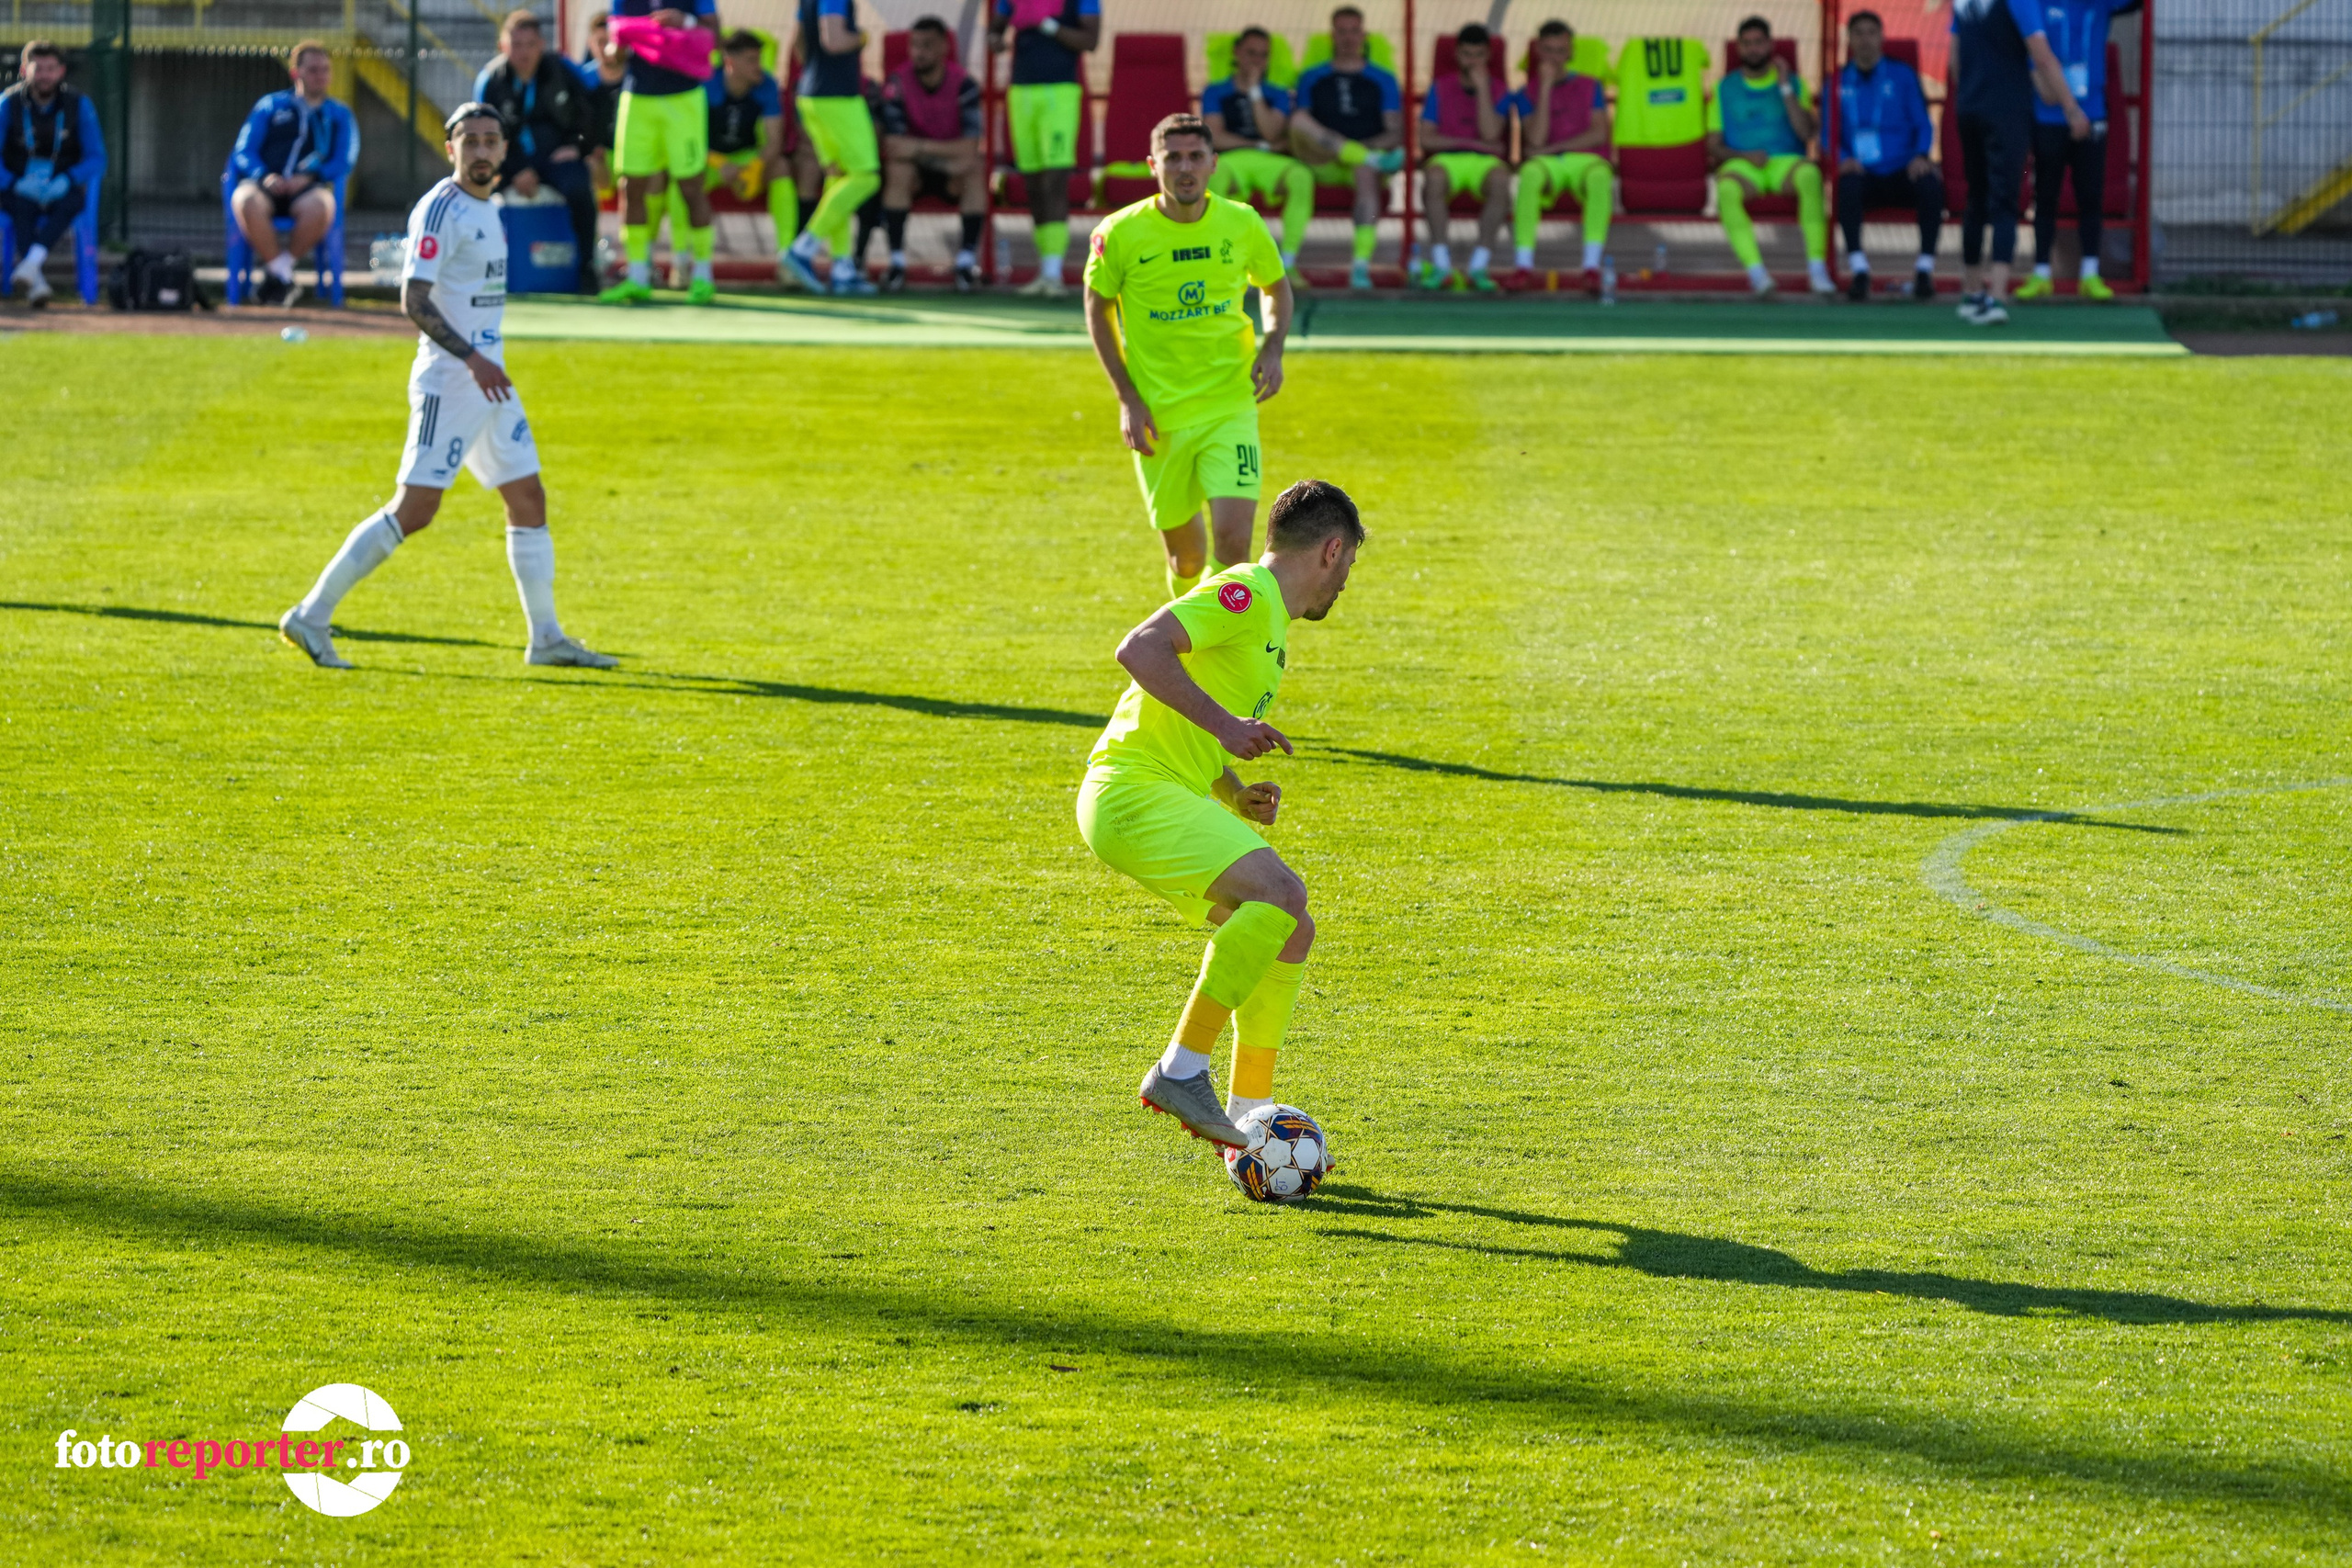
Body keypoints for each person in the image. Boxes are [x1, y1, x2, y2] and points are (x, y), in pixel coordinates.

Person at [278, 104, 614, 673]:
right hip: (451, 381)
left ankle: (547, 638)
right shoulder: (441, 209)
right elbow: (414, 299)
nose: (481, 151)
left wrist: (486, 363)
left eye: (491, 141)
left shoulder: (490, 207)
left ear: (505, 150)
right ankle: (310, 616)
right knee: (415, 509)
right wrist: (473, 359)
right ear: (450, 147)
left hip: (489, 380)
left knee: (528, 497)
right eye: (470, 141)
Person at [1078, 479, 1362, 1150]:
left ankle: (1250, 1114)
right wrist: (1227, 725)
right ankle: (1182, 1069)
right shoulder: (1245, 593)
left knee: (1291, 927)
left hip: (1158, 791)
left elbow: (1190, 724)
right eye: (1349, 564)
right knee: (1281, 892)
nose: (1347, 581)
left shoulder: (1271, 628)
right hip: (1130, 791)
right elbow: (1139, 647)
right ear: (1331, 549)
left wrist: (1231, 787)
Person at [1083, 113, 1294, 601]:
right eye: (1173, 157)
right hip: (1160, 415)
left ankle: (1204, 647)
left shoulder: (1241, 222)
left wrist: (1274, 343)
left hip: (1229, 406)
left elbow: (1275, 288)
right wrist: (1127, 398)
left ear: (1213, 164)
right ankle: (1180, 617)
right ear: (1152, 165)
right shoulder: (1119, 233)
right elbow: (1098, 310)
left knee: (1235, 545)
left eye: (1195, 157)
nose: (1185, 168)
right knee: (1187, 560)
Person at [1950, 0, 2086, 325]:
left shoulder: (1961, 4)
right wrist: (2071, 108)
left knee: (1976, 198)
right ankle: (1997, 296)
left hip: (1968, 108)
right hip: (2007, 112)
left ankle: (1971, 292)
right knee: (2005, 201)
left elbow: (1955, 61)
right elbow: (2041, 55)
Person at [600, 0, 718, 304]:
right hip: (638, 99)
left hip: (684, 99)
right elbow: (617, 47)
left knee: (691, 187)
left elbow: (714, 36)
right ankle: (638, 276)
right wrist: (615, 52)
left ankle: (703, 276)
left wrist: (685, 22)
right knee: (631, 187)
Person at [474, 11, 600, 294]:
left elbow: (589, 117)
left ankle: (587, 268)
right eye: (516, 44)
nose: (524, 52)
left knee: (579, 186)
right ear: (503, 46)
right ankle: (482, 269)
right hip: (508, 164)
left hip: (555, 160)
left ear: (542, 44)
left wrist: (578, 148)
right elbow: (484, 135)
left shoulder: (563, 71)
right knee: (476, 192)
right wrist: (515, 169)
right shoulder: (490, 81)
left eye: (530, 44)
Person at [2017, 0, 2133, 302]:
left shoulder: (2102, 4)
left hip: (2092, 113)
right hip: (2048, 115)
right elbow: (2032, 48)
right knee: (2046, 196)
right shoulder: (2038, 6)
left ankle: (2090, 274)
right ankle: (2041, 273)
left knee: (2091, 195)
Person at [1709, 17, 1833, 297]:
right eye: (1747, 44)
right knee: (1726, 189)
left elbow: (1806, 134)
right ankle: (1757, 274)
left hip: (1786, 163)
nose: (1753, 49)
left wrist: (1785, 87)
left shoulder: (1793, 83)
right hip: (1744, 165)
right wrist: (1743, 156)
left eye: (1759, 43)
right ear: (1739, 49)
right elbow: (1713, 145)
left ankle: (1817, 269)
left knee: (1811, 176)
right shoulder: (1724, 88)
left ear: (1770, 46)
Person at [228, 40, 358, 307]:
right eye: (313, 70)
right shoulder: (270, 106)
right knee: (245, 200)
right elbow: (243, 150)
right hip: (266, 186)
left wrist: (311, 177)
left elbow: (344, 160)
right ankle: (283, 275)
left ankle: (277, 275)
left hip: (308, 189)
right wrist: (264, 175)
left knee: (323, 206)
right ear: (295, 73)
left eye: (325, 69)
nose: (320, 76)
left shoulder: (339, 115)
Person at [988, 0, 1099, 298]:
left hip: (1059, 94)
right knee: (1033, 182)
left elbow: (1090, 40)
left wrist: (1046, 24)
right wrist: (996, 40)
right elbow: (995, 30)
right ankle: (1044, 270)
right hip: (1022, 93)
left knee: (1054, 179)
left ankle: (1054, 272)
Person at [1288, 6, 1402, 290]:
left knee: (1365, 169)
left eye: (1354, 31)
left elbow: (1394, 132)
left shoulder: (1382, 79)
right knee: (1299, 120)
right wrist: (1342, 148)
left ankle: (1360, 267)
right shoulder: (1312, 77)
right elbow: (1301, 127)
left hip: (1359, 162)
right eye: (1342, 31)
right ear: (1332, 36)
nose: (1348, 38)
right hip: (1320, 158)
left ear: (1364, 35)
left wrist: (1359, 150)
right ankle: (1367, 158)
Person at [1832, 10, 1941, 302]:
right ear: (1849, 39)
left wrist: (1921, 155)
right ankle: (1859, 271)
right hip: (1861, 171)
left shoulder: (1902, 74)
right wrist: (1843, 158)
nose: (1865, 39)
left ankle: (1924, 271)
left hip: (1902, 168)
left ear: (1882, 38)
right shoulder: (1837, 81)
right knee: (1845, 187)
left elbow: (1923, 123)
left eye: (1871, 32)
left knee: (1931, 185)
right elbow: (1827, 133)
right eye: (1859, 33)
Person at [780, 0, 881, 295]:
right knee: (866, 177)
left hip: (812, 95)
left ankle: (842, 268)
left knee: (838, 177)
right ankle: (802, 249)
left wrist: (815, 69)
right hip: (838, 99)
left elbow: (798, 41)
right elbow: (834, 41)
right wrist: (862, 38)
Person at [880, 15, 986, 292]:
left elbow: (970, 147)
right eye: (914, 45)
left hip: (951, 173)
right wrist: (941, 154)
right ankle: (896, 263)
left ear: (943, 48)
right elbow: (893, 146)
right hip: (916, 172)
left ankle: (965, 263)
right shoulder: (897, 83)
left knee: (975, 168)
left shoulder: (965, 85)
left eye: (927, 45)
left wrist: (917, 148)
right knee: (898, 170)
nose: (919, 52)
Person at [1507, 18, 1612, 294]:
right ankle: (1523, 267)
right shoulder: (1526, 93)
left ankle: (1591, 268)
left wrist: (1554, 148)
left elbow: (1599, 133)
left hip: (1585, 160)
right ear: (1538, 52)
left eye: (1560, 50)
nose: (1553, 57)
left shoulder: (1591, 86)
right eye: (1548, 50)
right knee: (1529, 175)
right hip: (1548, 165)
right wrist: (1544, 88)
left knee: (1601, 177)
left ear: (1570, 53)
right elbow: (1537, 138)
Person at [1203, 28, 1313, 282]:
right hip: (1231, 159)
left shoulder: (1278, 93)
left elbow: (1272, 132)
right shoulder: (1215, 91)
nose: (1256, 61)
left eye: (1263, 55)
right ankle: (1224, 261)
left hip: (1271, 162)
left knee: (1301, 176)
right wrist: (1259, 145)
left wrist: (1254, 91)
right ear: (1237, 53)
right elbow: (1215, 136)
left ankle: (1286, 263)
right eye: (1251, 53)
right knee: (1213, 176)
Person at [0, 41, 105, 307]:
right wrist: (13, 182)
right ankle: (36, 281)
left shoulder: (79, 105)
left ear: (61, 72)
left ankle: (30, 267)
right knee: (21, 207)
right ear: (24, 70)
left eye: (51, 68)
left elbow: (97, 158)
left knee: (72, 201)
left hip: (61, 183)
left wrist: (67, 179)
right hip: (18, 185)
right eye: (38, 68)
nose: (45, 75)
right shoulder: (7, 104)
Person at [697, 30, 799, 281]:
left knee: (782, 168)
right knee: (684, 177)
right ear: (730, 62)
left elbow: (774, 140)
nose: (759, 66)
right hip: (708, 160)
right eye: (752, 60)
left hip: (747, 159)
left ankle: (787, 259)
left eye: (760, 59)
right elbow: (688, 137)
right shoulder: (706, 84)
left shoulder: (767, 85)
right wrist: (719, 163)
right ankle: (688, 262)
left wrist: (753, 167)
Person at [1415, 23, 1510, 291]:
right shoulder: (1440, 87)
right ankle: (1442, 264)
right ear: (1457, 55)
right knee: (1432, 178)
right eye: (1467, 54)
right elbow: (1427, 138)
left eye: (1479, 55)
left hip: (1485, 163)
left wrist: (1482, 89)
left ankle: (1479, 266)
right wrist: (1469, 142)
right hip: (1448, 159)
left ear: (1488, 56)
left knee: (1501, 180)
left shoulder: (1499, 89)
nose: (1473, 61)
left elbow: (1491, 134)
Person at [580, 12, 625, 197]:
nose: (607, 49)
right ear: (590, 44)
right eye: (600, 42)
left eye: (611, 41)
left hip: (634, 155)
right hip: (600, 159)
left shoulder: (639, 80)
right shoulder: (581, 81)